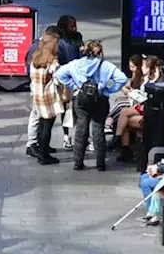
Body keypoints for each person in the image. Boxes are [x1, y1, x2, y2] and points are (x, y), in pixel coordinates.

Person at [53, 40, 128, 171]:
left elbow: (59, 74)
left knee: (81, 130)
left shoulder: (75, 64)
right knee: (98, 129)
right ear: (99, 52)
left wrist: (74, 85)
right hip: (100, 99)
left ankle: (78, 162)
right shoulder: (106, 65)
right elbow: (122, 78)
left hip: (81, 99)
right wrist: (108, 90)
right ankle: (100, 163)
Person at [26, 34, 66, 165]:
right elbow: (58, 80)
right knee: (47, 127)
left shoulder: (35, 60)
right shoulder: (52, 63)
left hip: (37, 96)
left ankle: (40, 151)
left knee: (42, 125)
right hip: (49, 97)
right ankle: (44, 155)